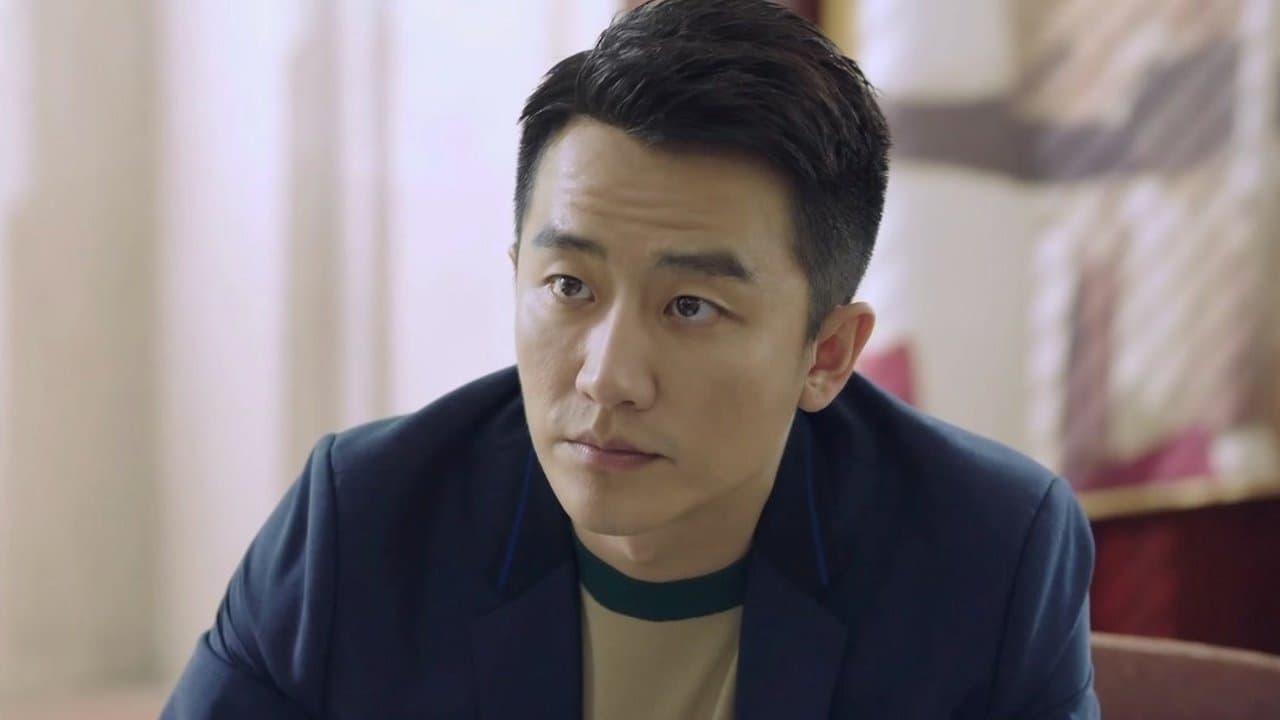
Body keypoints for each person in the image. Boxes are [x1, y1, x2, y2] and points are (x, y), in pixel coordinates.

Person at [162, 0, 1099, 717]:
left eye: (691, 306)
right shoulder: (364, 521)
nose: (606, 377)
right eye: (570, 286)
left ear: (826, 354)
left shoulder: (987, 553)